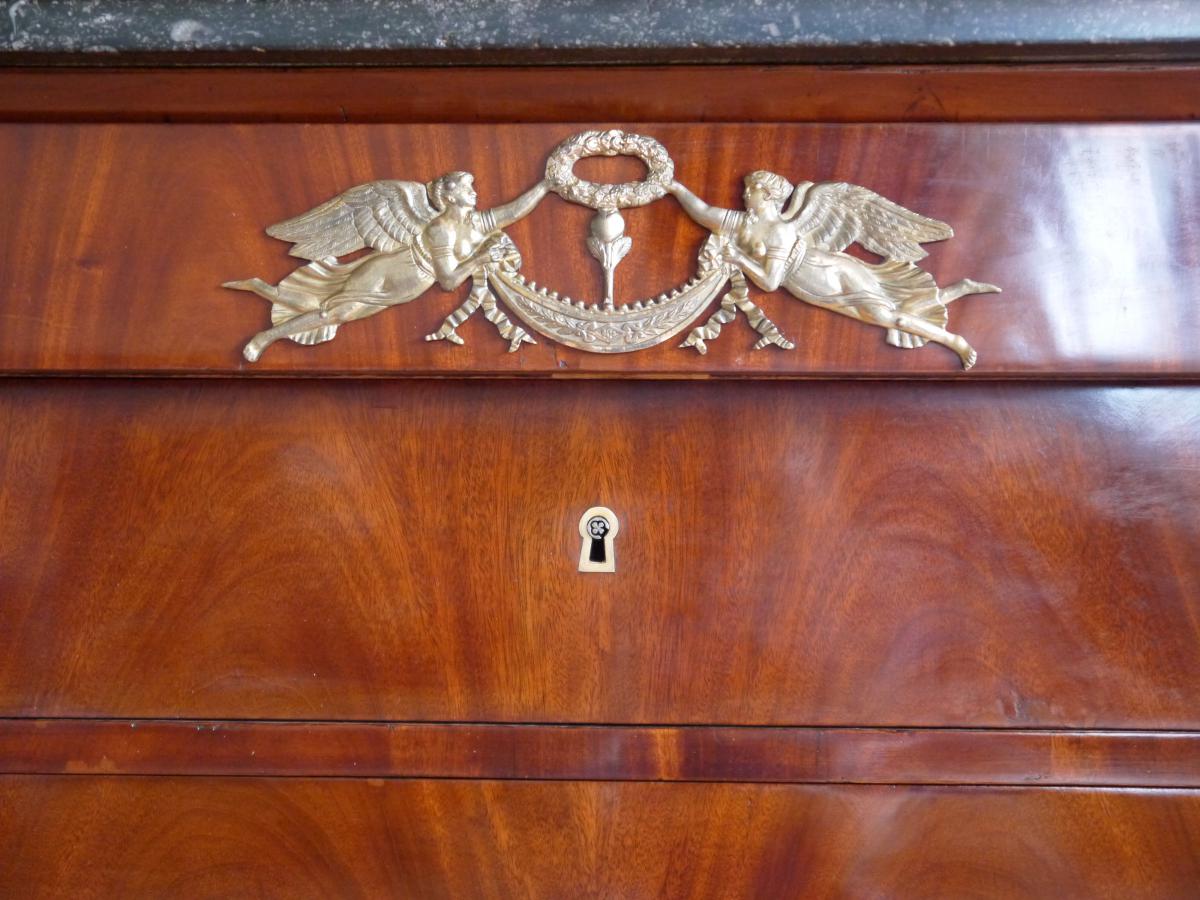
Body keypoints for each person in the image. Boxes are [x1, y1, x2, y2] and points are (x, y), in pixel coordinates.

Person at [668, 171, 999, 368]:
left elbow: (769, 282)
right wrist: (674, 187)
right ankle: (958, 289)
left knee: (889, 317)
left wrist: (738, 259)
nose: (744, 193)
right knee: (890, 311)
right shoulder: (742, 223)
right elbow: (704, 211)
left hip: (828, 276)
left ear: (767, 195)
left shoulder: (781, 231)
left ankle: (955, 341)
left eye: (751, 190)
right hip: (812, 286)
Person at [229, 172, 549, 361]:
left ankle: (264, 289)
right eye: (467, 188)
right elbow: (449, 281)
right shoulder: (439, 229)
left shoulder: (477, 225)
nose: (475, 191)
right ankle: (266, 337)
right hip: (386, 276)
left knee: (327, 310)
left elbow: (513, 212)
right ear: (451, 197)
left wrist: (546, 185)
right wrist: (480, 258)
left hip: (402, 290)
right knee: (332, 314)